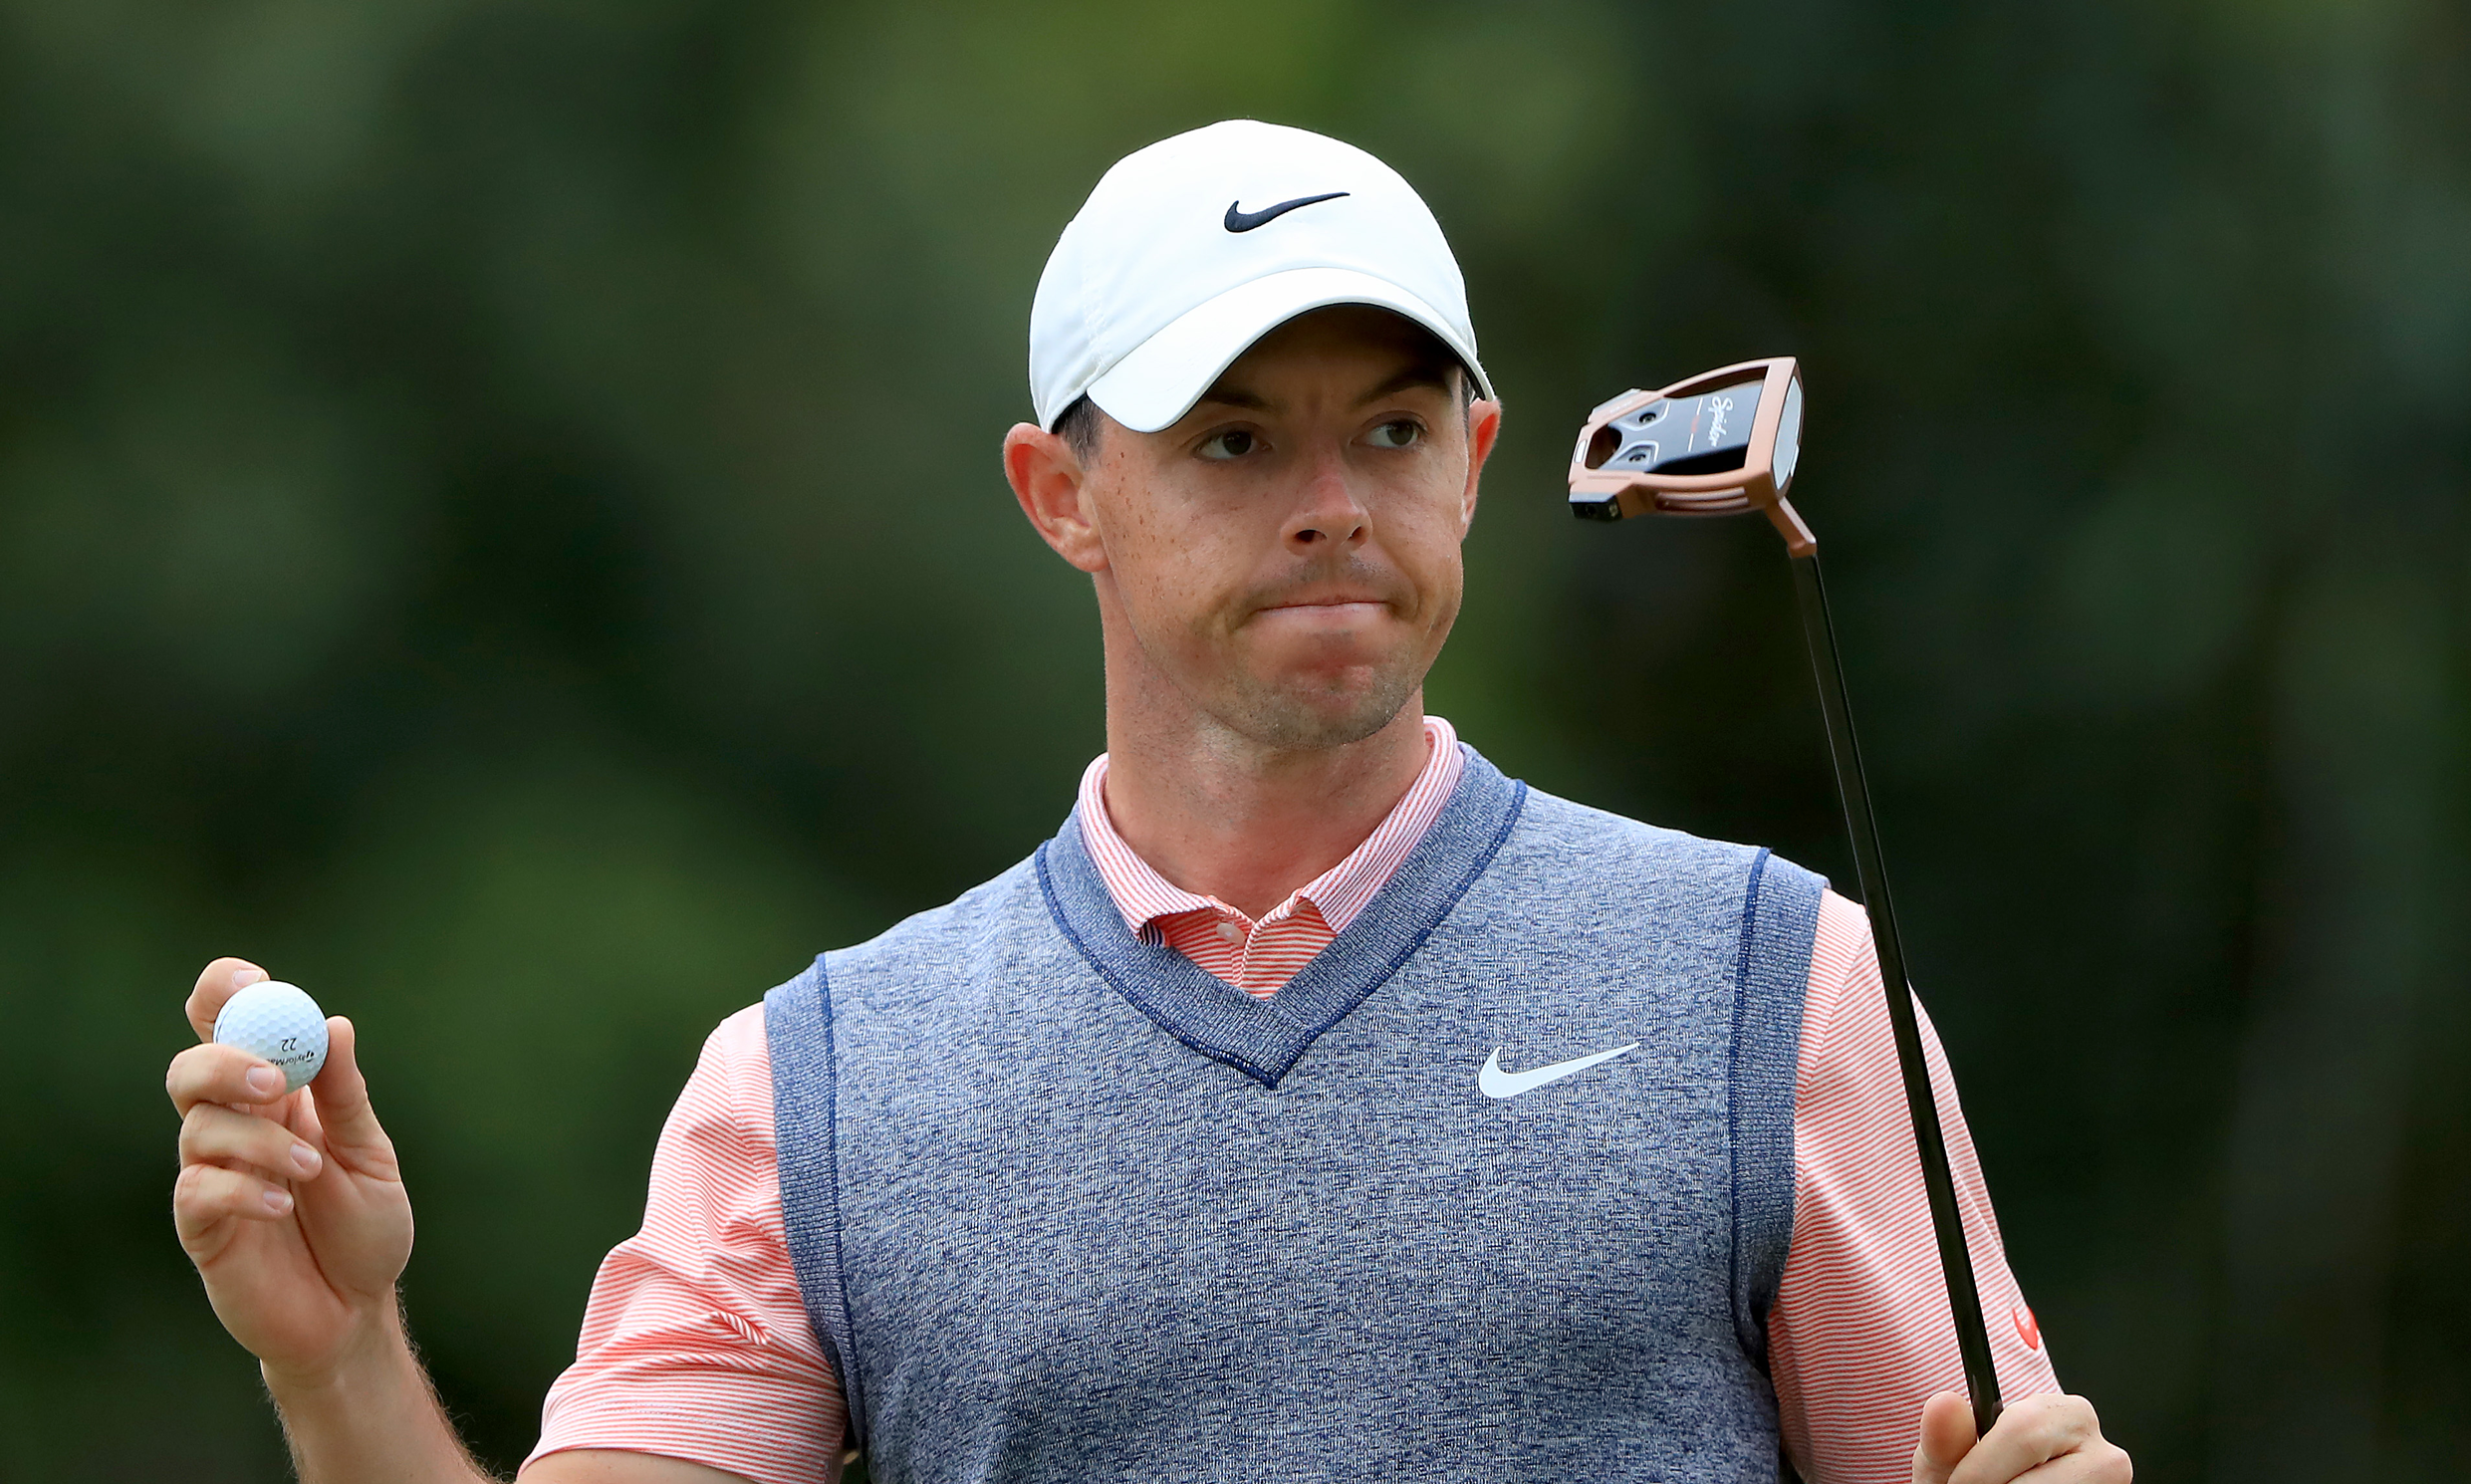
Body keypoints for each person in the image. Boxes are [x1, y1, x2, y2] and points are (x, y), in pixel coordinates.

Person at [166, 121, 2128, 1484]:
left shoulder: (1774, 983)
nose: (1333, 502)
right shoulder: (823, 1082)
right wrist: (337, 1358)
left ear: (1478, 458)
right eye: (1235, 438)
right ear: (1060, 493)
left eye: (1392, 425)